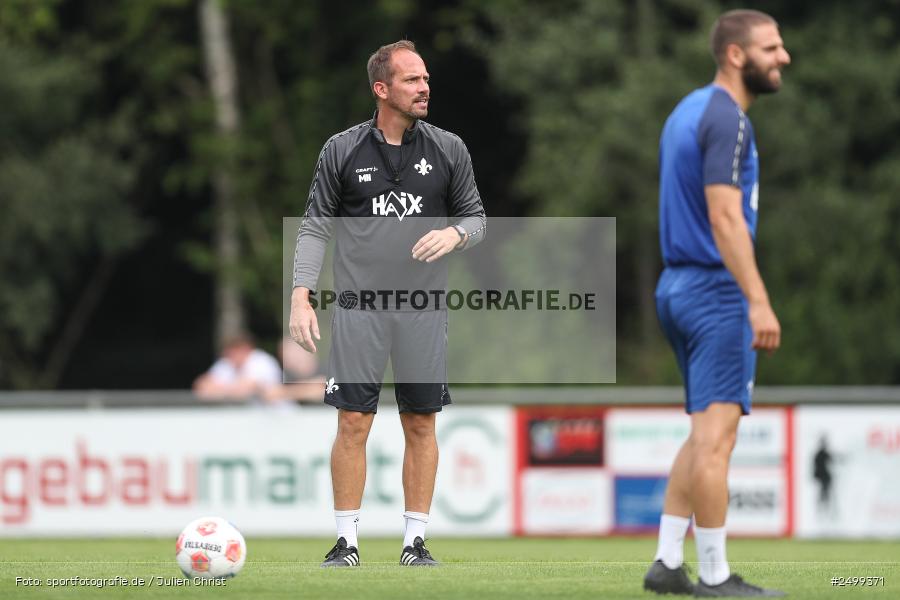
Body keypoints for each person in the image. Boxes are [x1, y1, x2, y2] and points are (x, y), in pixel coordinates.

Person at [289, 40, 486, 568]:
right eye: (412, 80)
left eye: (425, 79)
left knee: (421, 422)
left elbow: (476, 218)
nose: (425, 87)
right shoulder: (342, 149)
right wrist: (301, 296)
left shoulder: (449, 148)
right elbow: (314, 227)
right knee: (353, 421)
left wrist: (455, 235)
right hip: (358, 308)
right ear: (382, 89)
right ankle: (346, 542)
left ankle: (414, 543)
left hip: (423, 309)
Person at [644, 10, 790, 597]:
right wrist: (757, 300)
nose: (783, 56)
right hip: (714, 291)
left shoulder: (687, 109)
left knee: (702, 432)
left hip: (674, 287)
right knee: (717, 440)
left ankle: (665, 563)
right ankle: (715, 576)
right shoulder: (729, 119)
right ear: (736, 54)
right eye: (772, 47)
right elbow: (725, 214)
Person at [192, 332, 282, 401]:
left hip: (274, 416)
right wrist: (232, 389)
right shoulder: (227, 362)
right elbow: (201, 386)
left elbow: (248, 388)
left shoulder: (262, 360)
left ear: (246, 348)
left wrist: (219, 390)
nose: (230, 354)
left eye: (235, 349)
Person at [262, 336, 326, 403]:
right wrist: (308, 388)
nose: (291, 358)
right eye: (286, 355)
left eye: (296, 352)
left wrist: (289, 392)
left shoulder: (327, 368)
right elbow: (271, 394)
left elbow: (322, 390)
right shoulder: (288, 375)